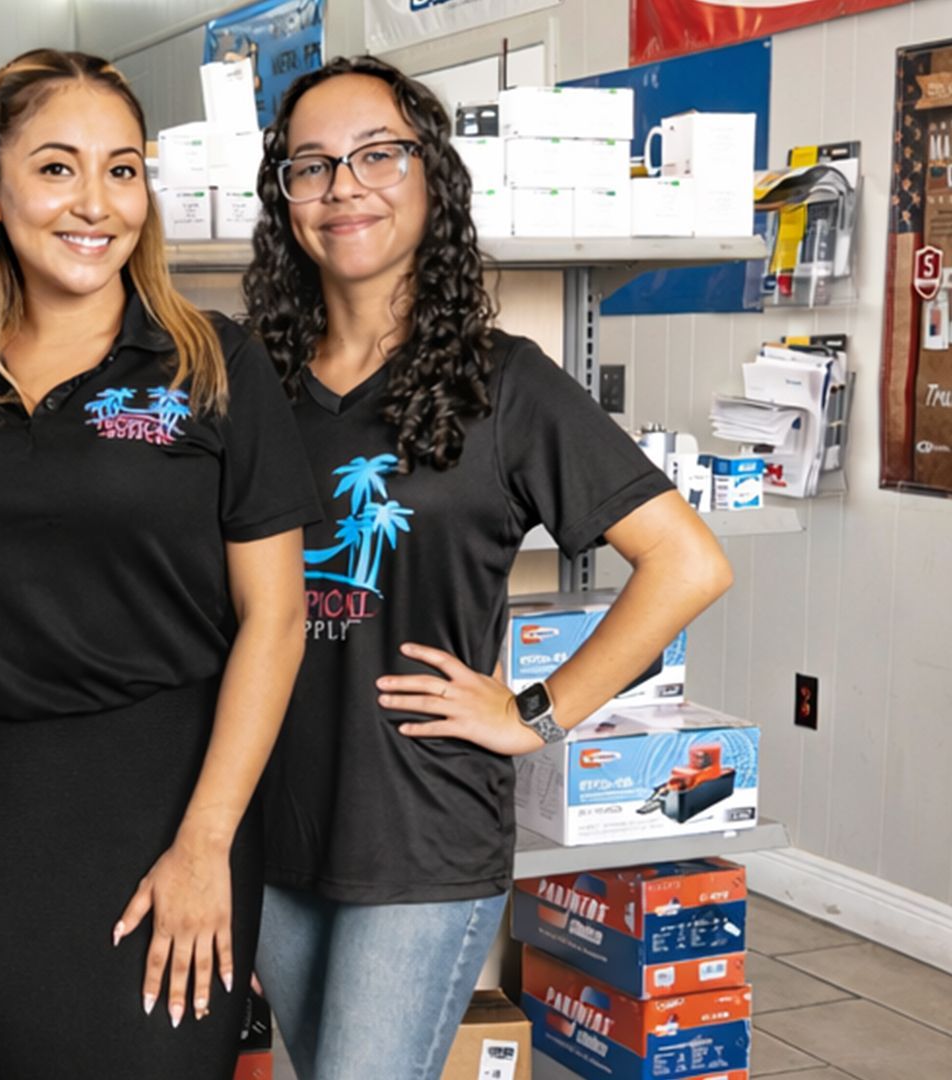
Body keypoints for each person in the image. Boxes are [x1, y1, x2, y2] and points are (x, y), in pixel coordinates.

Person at [242, 57, 735, 1078]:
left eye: (378, 155)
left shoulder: (503, 385)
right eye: (312, 165)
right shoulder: (249, 385)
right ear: (283, 196)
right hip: (269, 826)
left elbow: (686, 563)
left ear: (433, 179)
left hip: (421, 829)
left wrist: (535, 714)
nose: (345, 186)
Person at [0, 48, 321, 1078]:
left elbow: (276, 623)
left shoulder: (209, 361)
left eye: (122, 169)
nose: (95, 202)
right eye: (57, 168)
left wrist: (205, 846)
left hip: (162, 801)